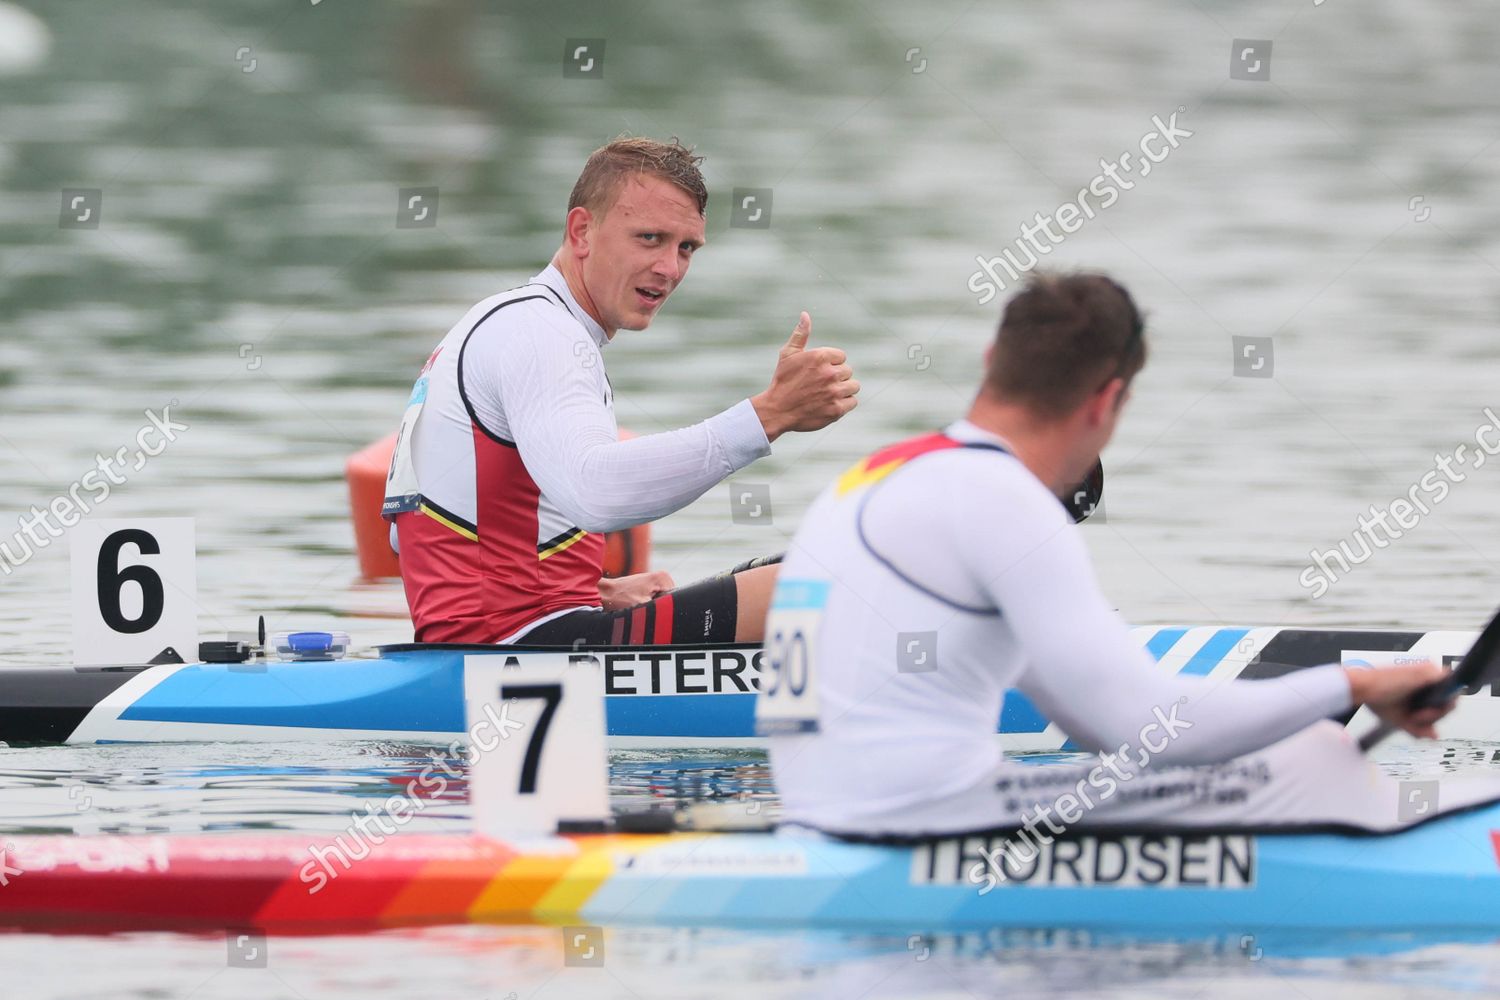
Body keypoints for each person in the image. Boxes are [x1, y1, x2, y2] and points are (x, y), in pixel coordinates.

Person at [760, 272, 1500, 840]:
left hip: (825, 816)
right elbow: (1139, 726)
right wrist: (1352, 686)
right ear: (1107, 400)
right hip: (910, 828)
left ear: (993, 359)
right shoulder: (1003, 497)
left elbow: (1091, 719)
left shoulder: (871, 478)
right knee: (1313, 757)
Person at [384, 137, 858, 646]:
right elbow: (595, 492)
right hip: (517, 647)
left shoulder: (505, 324)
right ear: (582, 231)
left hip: (490, 639)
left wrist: (593, 590)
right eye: (649, 238)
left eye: (686, 248)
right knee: (851, 578)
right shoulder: (542, 335)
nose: (670, 269)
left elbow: (413, 536)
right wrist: (769, 415)